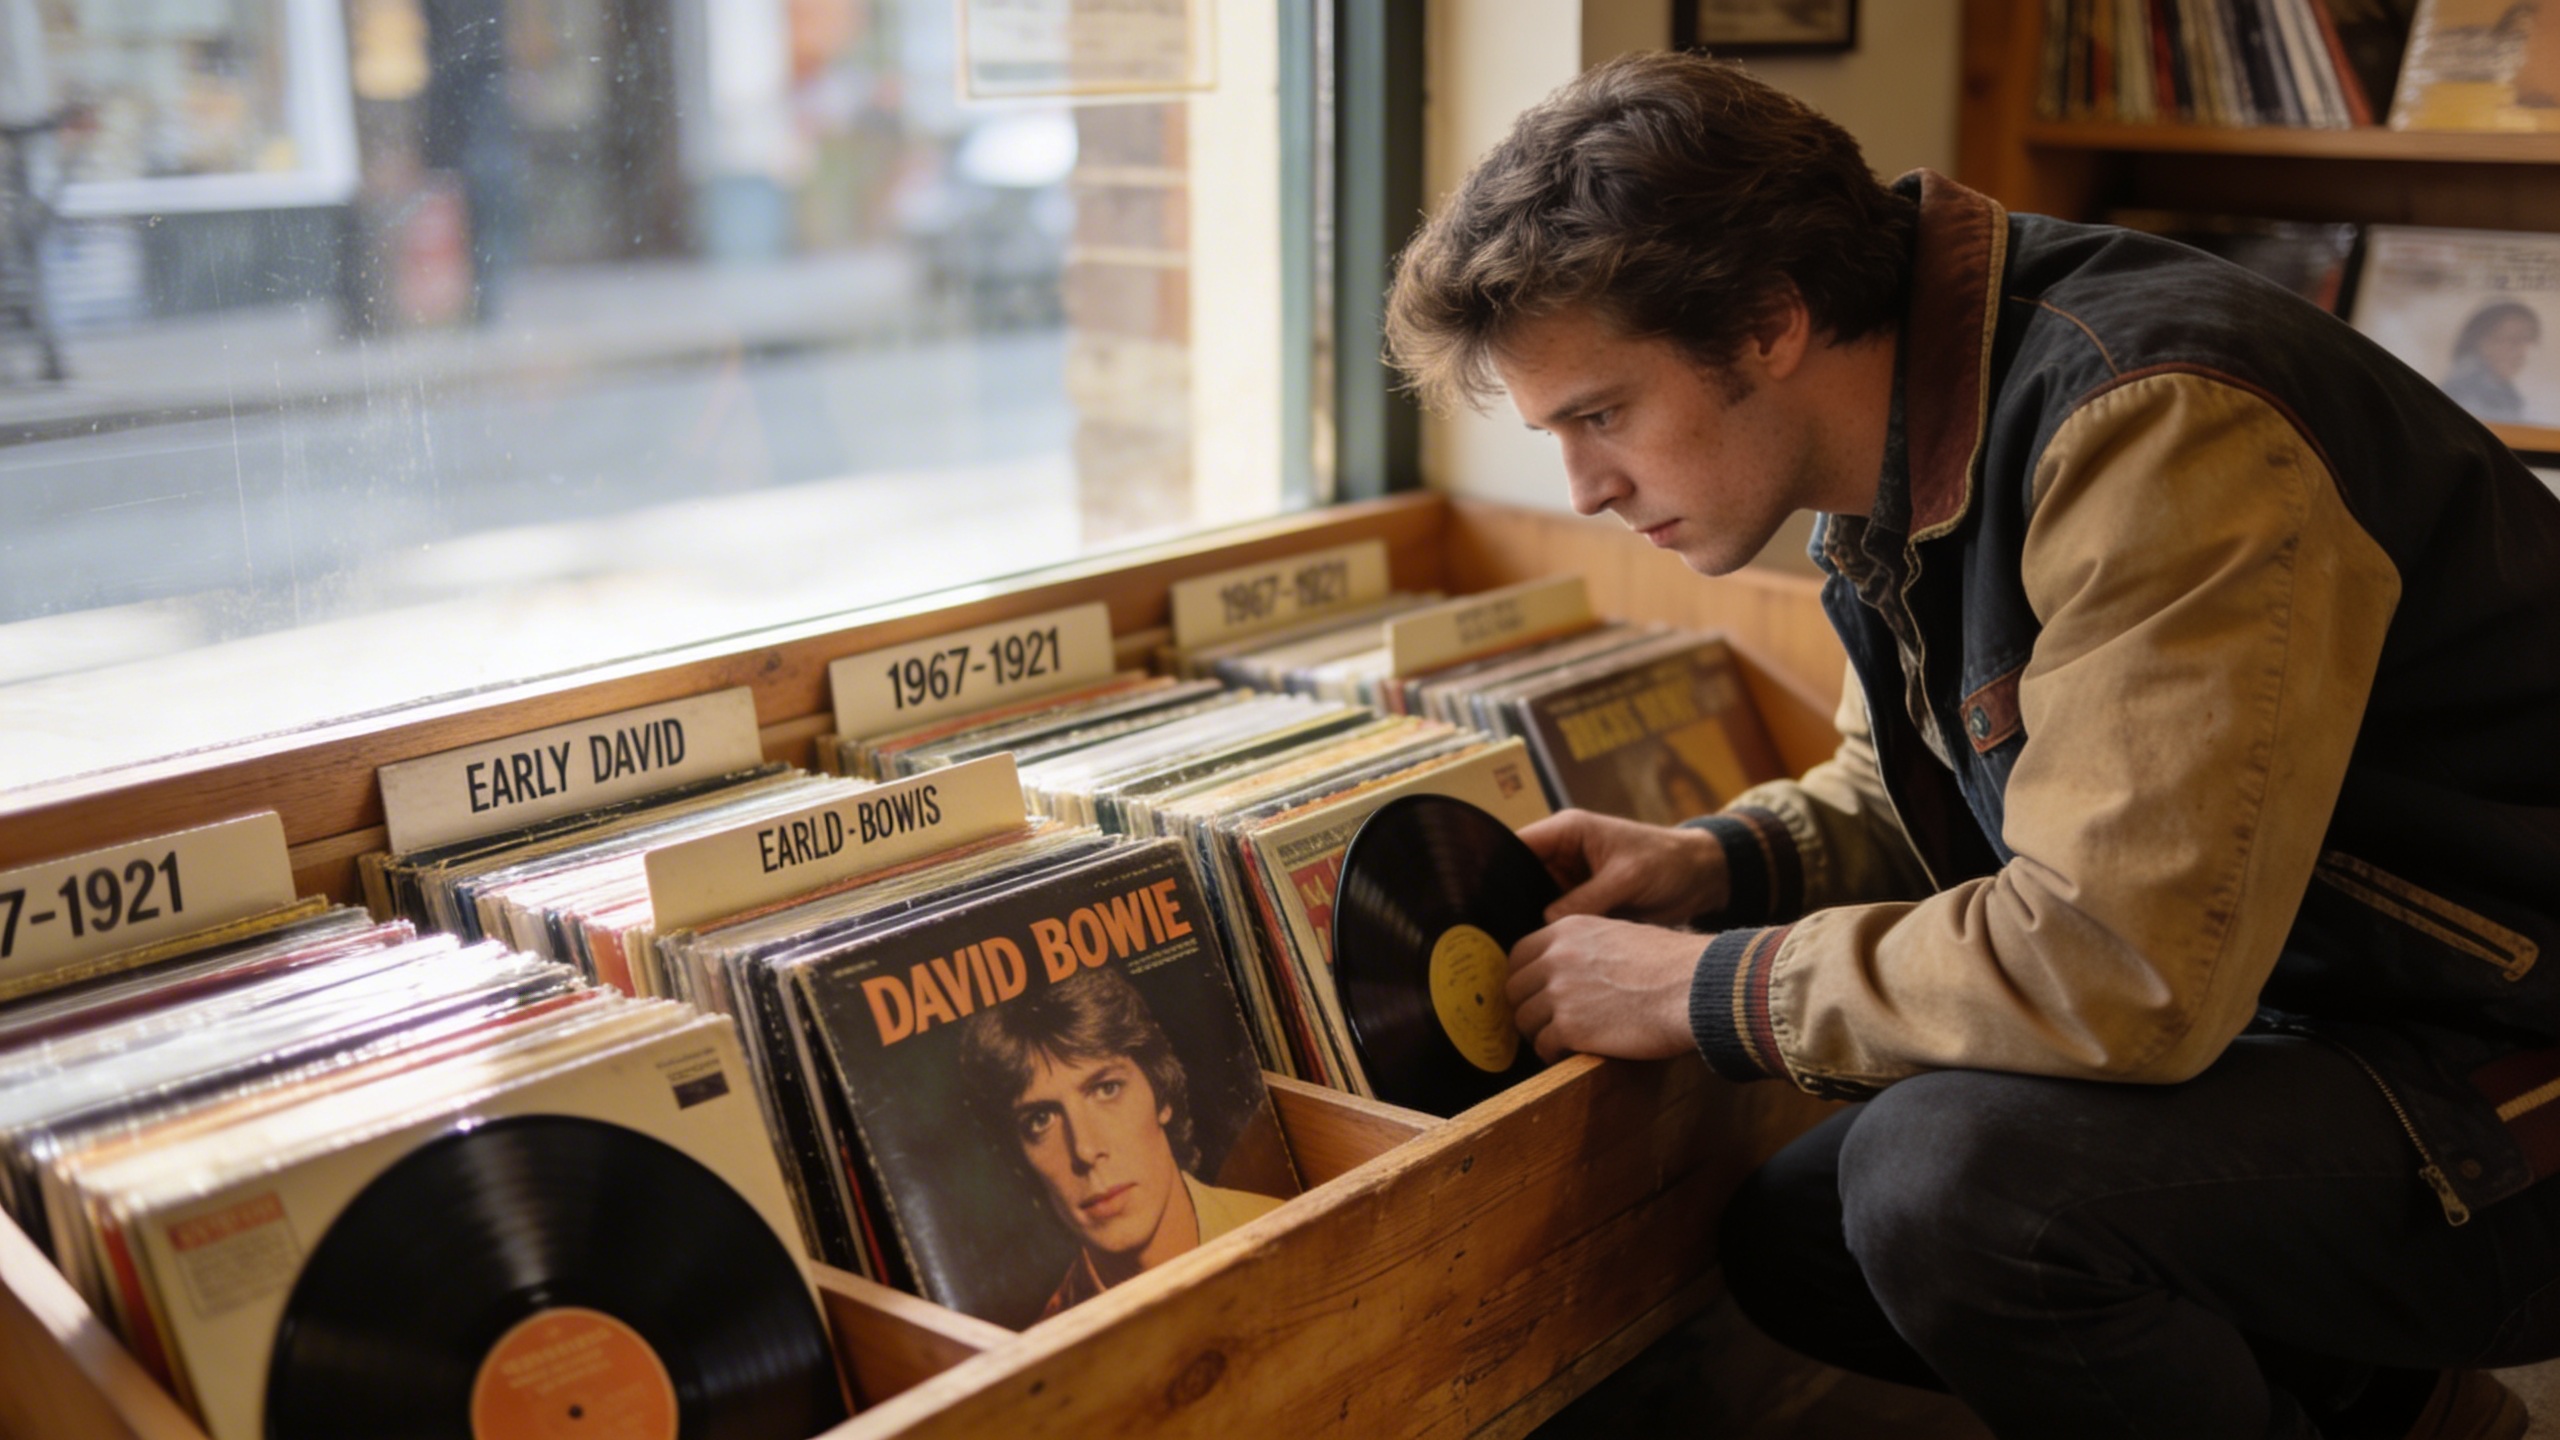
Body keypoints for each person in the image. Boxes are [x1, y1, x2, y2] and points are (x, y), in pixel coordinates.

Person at [1385, 50, 2560, 1440]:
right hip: (2328, 1018)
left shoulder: (2159, 426)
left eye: (1602, 414)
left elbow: (2115, 971)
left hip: (2508, 1077)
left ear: (1768, 323)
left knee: (1954, 1190)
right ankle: (2417, 1411)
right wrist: (1718, 863)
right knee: (1796, 1241)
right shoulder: (1898, 423)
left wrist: (1705, 989)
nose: (1582, 489)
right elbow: (1926, 782)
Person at [954, 965, 1282, 1320]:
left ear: (1161, 1093)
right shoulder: (1049, 1339)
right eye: (1040, 1119)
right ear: (1020, 1158)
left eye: (1106, 1089)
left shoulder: (1283, 1226)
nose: (1085, 1149)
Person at [2441, 301, 2541, 422]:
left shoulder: (2509, 395)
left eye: (2527, 340)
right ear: (2481, 342)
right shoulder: (2463, 394)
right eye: (2512, 340)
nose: (2522, 352)